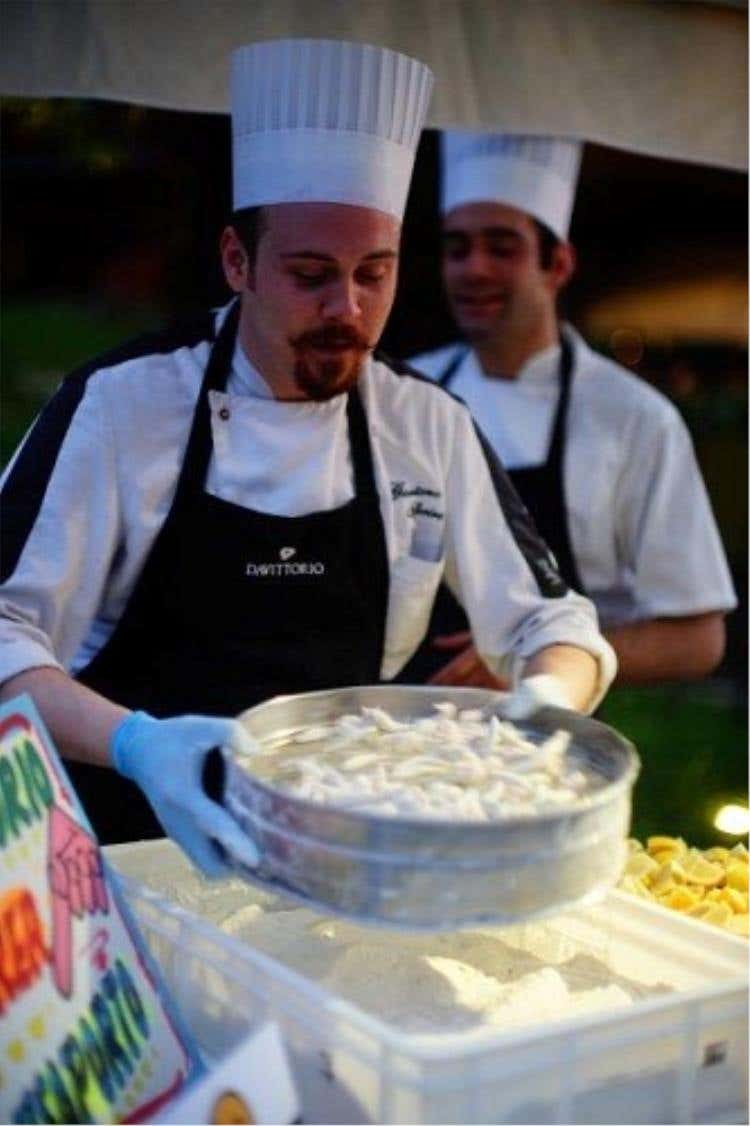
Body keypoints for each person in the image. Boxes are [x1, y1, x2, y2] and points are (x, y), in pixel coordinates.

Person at [0, 44, 616, 873]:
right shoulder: (120, 407)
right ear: (236, 261)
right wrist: (140, 745)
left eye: (375, 273)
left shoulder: (427, 423)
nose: (348, 308)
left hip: (341, 859)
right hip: (115, 856)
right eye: (311, 274)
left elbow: (553, 621)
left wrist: (546, 706)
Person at [405, 132, 736, 688]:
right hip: (398, 727)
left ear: (557, 263)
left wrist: (544, 664)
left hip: (552, 744)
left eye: (501, 247)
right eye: (457, 248)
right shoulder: (404, 396)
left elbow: (699, 639)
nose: (473, 269)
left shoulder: (634, 420)